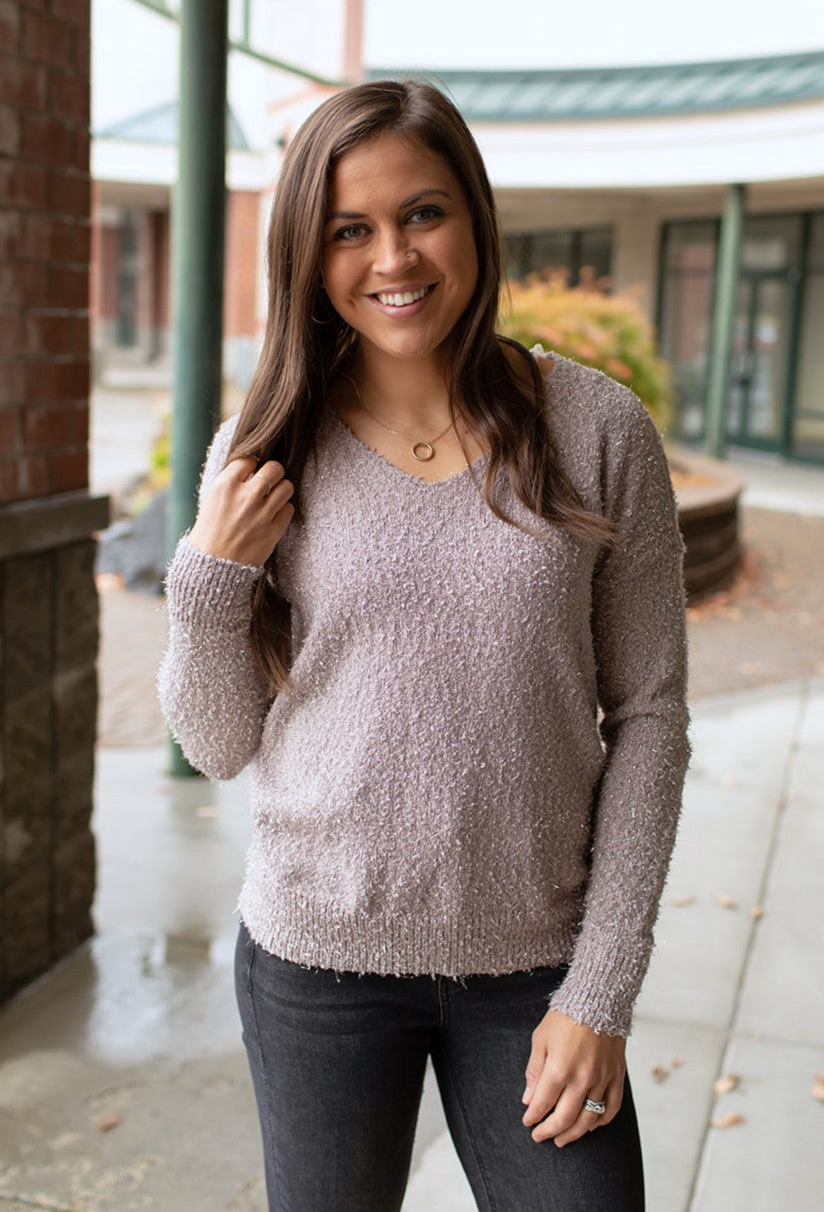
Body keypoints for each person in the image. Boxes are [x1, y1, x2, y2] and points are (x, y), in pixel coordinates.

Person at [158, 79, 690, 1212]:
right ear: (308, 251)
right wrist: (212, 578)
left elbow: (648, 716)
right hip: (317, 964)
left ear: (476, 219)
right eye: (350, 229)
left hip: (540, 963)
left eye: (423, 213)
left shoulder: (597, 430)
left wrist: (602, 989)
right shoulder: (264, 449)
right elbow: (214, 746)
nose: (392, 257)